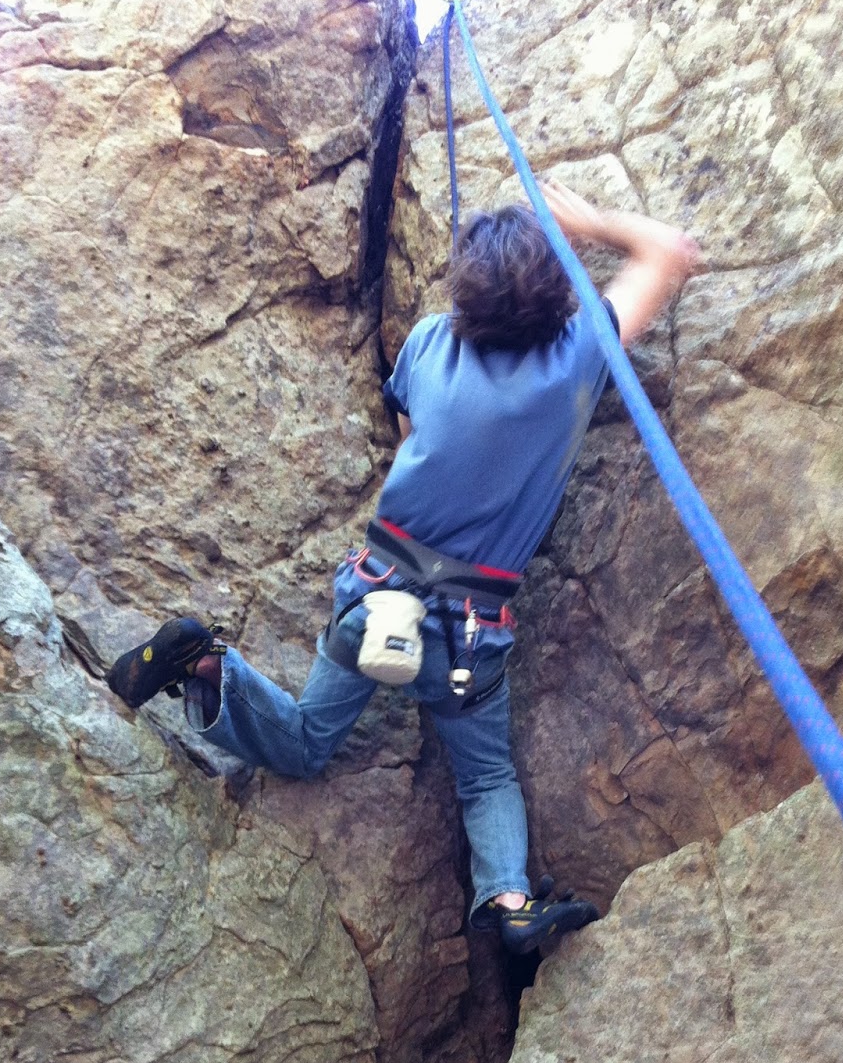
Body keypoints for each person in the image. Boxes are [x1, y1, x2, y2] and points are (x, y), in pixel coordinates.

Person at [106, 180, 699, 953]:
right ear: (556, 294)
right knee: (483, 775)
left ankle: (206, 665)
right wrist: (586, 224)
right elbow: (670, 252)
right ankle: (508, 899)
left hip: (377, 588)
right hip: (469, 627)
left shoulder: (427, 341)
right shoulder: (576, 358)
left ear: (468, 296)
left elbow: (411, 431)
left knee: (309, 742)